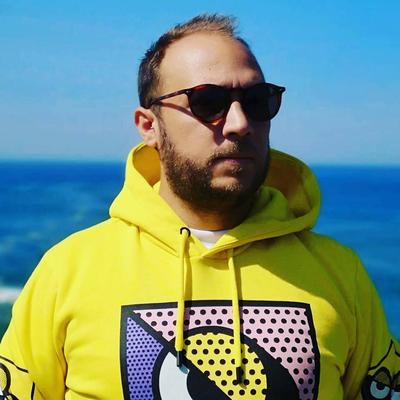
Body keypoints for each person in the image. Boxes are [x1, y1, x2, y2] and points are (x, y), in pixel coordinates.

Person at [0, 13, 399, 400]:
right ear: (149, 126)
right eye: (208, 102)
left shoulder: (340, 274)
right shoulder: (68, 272)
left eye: (258, 101)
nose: (240, 123)